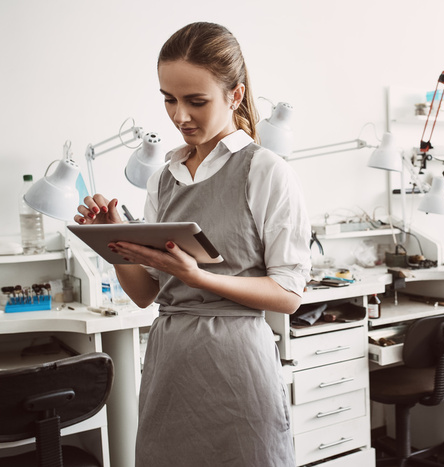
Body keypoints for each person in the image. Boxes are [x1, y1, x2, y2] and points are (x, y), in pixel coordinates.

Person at [75, 22, 311, 466]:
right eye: (169, 99)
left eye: (195, 101)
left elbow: (288, 295)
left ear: (235, 96)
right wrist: (112, 241)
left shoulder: (265, 171)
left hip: (237, 363)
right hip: (169, 363)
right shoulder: (162, 179)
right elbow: (146, 295)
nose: (180, 115)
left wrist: (198, 276)